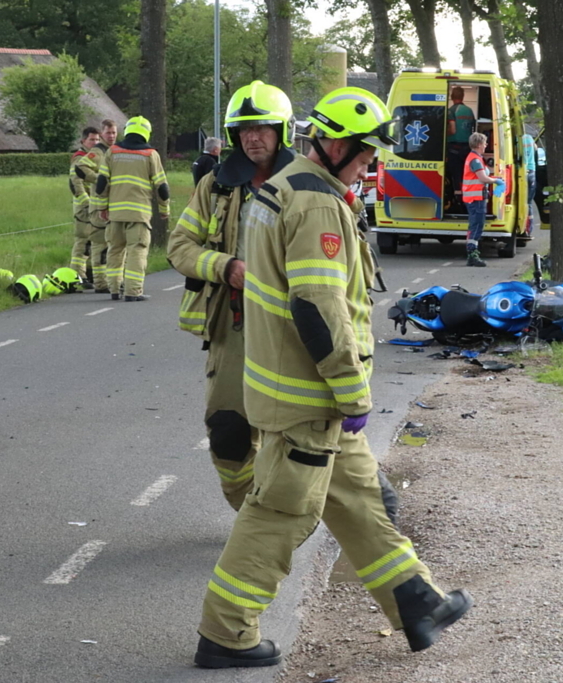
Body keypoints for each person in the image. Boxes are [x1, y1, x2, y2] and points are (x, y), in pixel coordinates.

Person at [193, 86, 473, 670]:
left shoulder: (284, 188)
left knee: (359, 499)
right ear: (339, 143)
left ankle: (416, 603)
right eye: (368, 154)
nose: (372, 165)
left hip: (294, 389)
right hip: (310, 395)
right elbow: (317, 308)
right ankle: (226, 633)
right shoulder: (316, 203)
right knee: (281, 514)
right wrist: (351, 390)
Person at [167, 82, 298, 509]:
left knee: (297, 435)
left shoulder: (308, 185)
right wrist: (227, 268)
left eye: (261, 127)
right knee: (228, 431)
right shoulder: (216, 186)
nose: (251, 137)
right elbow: (179, 246)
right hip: (234, 326)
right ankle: (249, 512)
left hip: (295, 330)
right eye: (243, 129)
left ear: (283, 132)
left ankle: (280, 521)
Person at [91, 116, 170, 301]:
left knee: (115, 250)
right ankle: (133, 292)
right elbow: (162, 187)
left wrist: (102, 207)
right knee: (137, 251)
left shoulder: (112, 152)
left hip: (115, 214)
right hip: (139, 214)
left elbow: (102, 183)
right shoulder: (150, 154)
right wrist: (164, 209)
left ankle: (114, 290)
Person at [76, 119, 119, 293]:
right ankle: (101, 283)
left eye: (114, 132)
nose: (112, 136)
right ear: (102, 134)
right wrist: (100, 179)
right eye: (108, 133)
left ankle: (112, 280)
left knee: (112, 245)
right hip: (98, 206)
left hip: (113, 206)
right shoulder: (96, 152)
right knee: (99, 246)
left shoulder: (114, 152)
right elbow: (81, 167)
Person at [68, 126, 101, 288]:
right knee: (83, 242)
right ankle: (77, 275)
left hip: (94, 204)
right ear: (83, 141)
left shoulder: (93, 157)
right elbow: (75, 182)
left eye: (97, 139)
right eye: (92, 140)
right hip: (84, 206)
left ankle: (86, 273)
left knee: (92, 241)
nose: (95, 143)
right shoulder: (79, 158)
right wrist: (86, 203)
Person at [462, 132, 500, 267]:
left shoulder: (475, 157)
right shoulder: (475, 160)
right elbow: (482, 178)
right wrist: (496, 181)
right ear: (479, 144)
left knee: (474, 225)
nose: (486, 145)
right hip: (475, 198)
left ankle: (472, 254)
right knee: (476, 226)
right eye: (484, 143)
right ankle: (472, 255)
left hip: (474, 197)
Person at [445, 86, 476, 205]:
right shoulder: (469, 111)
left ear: (452, 97)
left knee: (455, 175)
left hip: (454, 148)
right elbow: (473, 129)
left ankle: (458, 201)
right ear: (462, 96)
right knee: (466, 174)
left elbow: (452, 130)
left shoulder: (451, 111)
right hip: (467, 148)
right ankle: (468, 198)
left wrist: (443, 133)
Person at [521, 132, 537, 235]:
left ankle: (521, 226)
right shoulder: (530, 138)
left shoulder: (517, 139)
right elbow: (535, 149)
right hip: (532, 171)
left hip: (523, 171)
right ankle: (528, 229)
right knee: (529, 202)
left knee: (520, 201)